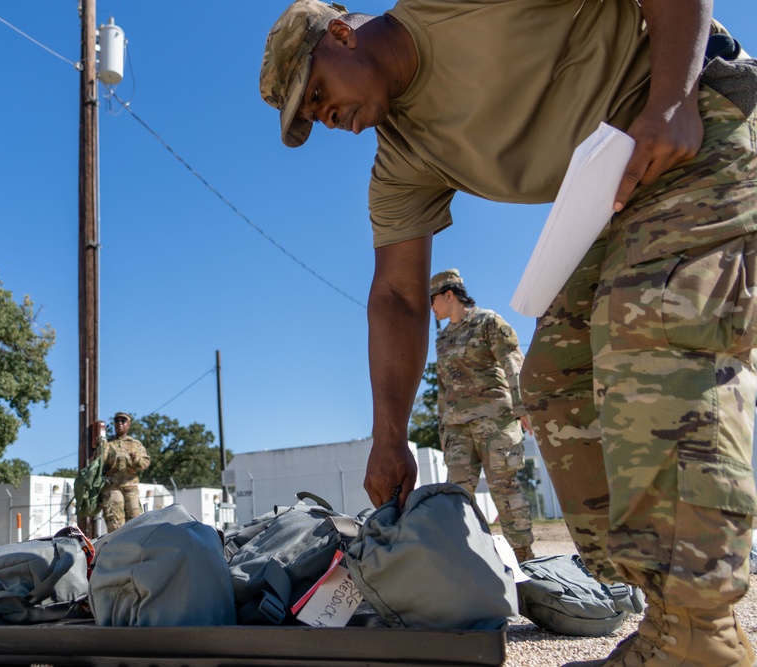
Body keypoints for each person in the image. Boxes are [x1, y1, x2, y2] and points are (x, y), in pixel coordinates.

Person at [260, 1, 755, 665]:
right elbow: (399, 294)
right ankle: (666, 610)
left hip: (698, 116)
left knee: (651, 321)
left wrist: (671, 95)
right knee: (555, 380)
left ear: (343, 34)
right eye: (313, 118)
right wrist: (389, 437)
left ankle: (703, 634)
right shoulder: (403, 158)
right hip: (620, 193)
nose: (330, 118)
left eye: (320, 93)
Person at [430, 269, 535, 564]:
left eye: (433, 299)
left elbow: (513, 362)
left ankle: (524, 559)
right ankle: (471, 558)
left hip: (495, 421)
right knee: (457, 495)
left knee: (505, 488)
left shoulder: (488, 322)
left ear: (449, 295)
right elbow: (443, 388)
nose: (431, 307)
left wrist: (522, 406)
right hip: (457, 428)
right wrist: (443, 430)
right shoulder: (443, 339)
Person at [96, 412, 151, 532]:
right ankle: (117, 547)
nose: (119, 423)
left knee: (136, 521)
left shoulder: (135, 444)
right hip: (113, 486)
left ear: (128, 425)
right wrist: (102, 445)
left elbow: (145, 463)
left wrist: (136, 458)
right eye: (116, 421)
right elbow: (99, 461)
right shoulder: (108, 444)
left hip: (130, 487)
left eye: (123, 421)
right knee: (115, 523)